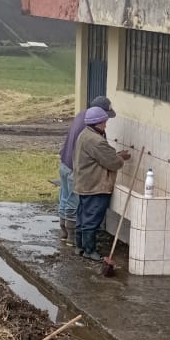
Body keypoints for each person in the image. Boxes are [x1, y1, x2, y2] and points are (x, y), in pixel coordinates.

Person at [72, 106, 130, 260]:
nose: (106, 125)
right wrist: (121, 158)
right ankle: (89, 250)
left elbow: (101, 157)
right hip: (95, 187)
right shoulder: (96, 140)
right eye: (104, 122)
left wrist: (114, 155)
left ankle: (80, 247)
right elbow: (112, 163)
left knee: (82, 217)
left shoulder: (84, 134)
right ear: (98, 123)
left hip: (84, 184)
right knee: (91, 220)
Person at [57, 96, 115, 246]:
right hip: (74, 168)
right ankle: (71, 237)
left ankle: (63, 231)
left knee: (64, 198)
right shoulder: (90, 128)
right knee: (73, 203)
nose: (106, 122)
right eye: (106, 118)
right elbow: (97, 151)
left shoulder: (81, 116)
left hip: (64, 162)